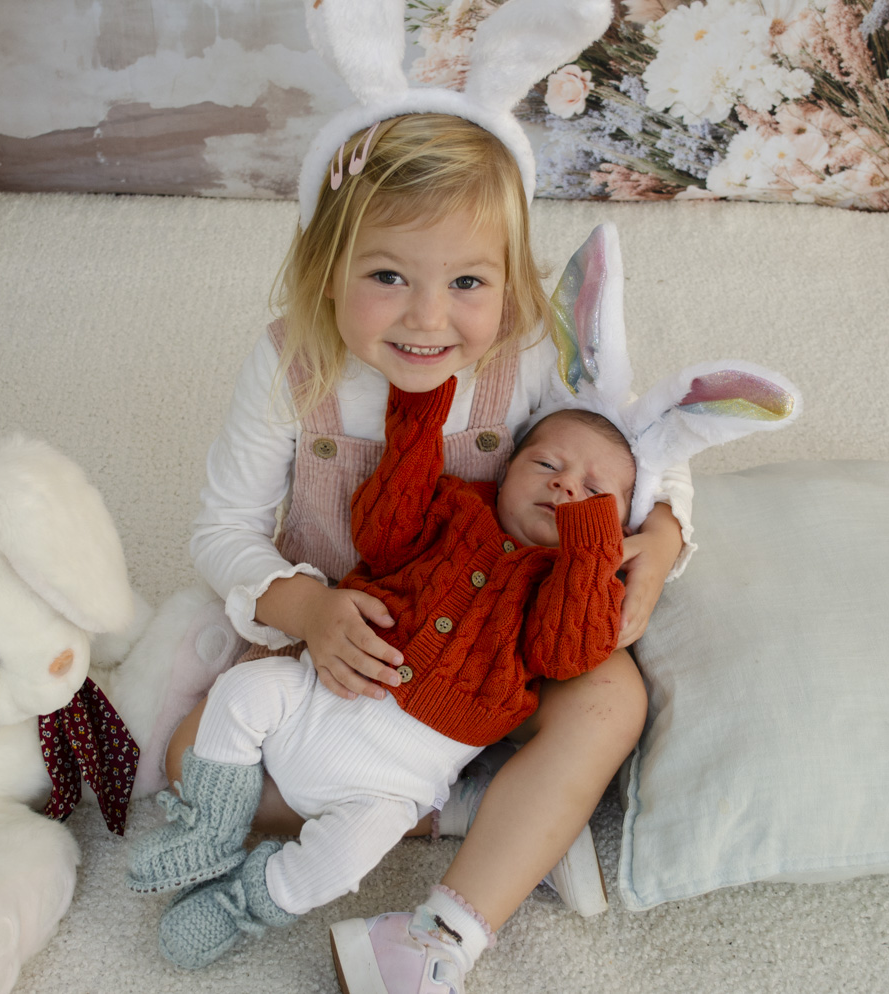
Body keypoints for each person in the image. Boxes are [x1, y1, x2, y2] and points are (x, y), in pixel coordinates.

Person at [152, 111, 693, 993]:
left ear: (513, 287)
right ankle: (486, 814)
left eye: (470, 282)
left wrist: (661, 537)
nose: (428, 318)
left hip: (502, 644)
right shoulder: (294, 364)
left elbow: (638, 445)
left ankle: (443, 929)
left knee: (612, 696)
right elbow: (222, 530)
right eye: (388, 275)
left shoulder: (521, 354)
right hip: (349, 641)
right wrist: (307, 611)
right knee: (190, 756)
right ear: (326, 272)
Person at [130, 382, 637, 970]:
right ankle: (208, 832)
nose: (565, 484)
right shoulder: (454, 509)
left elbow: (566, 654)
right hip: (317, 694)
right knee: (240, 695)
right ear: (505, 471)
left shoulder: (565, 589)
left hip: (393, 788)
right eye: (546, 464)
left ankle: (241, 902)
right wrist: (417, 425)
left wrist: (590, 553)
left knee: (342, 859)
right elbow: (382, 531)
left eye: (594, 495)